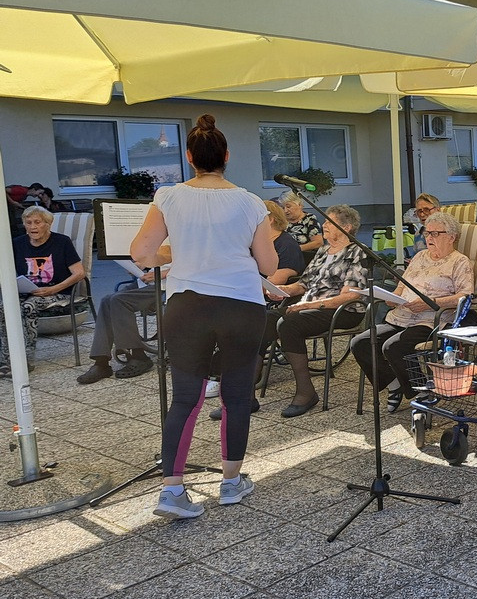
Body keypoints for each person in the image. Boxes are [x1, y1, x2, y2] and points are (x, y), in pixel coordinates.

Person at [129, 113, 278, 520]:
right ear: (227, 156)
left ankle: (172, 491)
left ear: (190, 156)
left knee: (185, 399)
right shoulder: (250, 202)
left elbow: (142, 253)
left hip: (187, 305)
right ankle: (231, 483)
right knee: (236, 395)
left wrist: (177, 252)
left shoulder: (168, 197)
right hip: (241, 304)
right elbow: (267, 263)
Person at [350, 211, 473, 413]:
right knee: (361, 343)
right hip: (401, 316)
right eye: (427, 233)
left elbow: (465, 295)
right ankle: (394, 385)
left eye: (435, 233)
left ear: (452, 237)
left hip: (432, 320)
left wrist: (430, 302)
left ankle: (420, 390)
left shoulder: (459, 261)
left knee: (393, 346)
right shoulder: (419, 257)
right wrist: (393, 298)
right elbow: (401, 286)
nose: (429, 237)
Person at [259, 204, 368, 418]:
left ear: (346, 227)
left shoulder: (358, 252)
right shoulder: (323, 251)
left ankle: (306, 392)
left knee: (289, 324)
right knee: (263, 319)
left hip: (343, 310)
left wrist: (308, 305)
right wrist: (283, 290)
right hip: (309, 306)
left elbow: (350, 296)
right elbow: (303, 285)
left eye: (329, 221)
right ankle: (246, 390)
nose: (324, 225)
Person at [203, 200, 305, 409]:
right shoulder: (254, 243)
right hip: (245, 293)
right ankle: (215, 372)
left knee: (233, 320)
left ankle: (221, 375)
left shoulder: (286, 244)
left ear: (270, 219)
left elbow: (277, 280)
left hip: (265, 298)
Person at [1, 205, 85, 378]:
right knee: (4, 307)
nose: (33, 227)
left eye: (37, 222)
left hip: (59, 291)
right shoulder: (17, 243)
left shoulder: (62, 242)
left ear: (48, 224)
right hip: (27, 291)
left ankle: (27, 359)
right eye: (28, 222)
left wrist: (53, 289)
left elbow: (79, 273)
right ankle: (7, 359)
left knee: (29, 307)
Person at [76, 263, 164, 385]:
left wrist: (161, 274)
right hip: (148, 281)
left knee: (118, 301)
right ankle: (101, 362)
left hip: (169, 284)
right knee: (107, 301)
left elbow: (196, 266)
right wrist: (142, 265)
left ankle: (138, 355)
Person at [280, 191, 323, 264]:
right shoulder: (281, 221)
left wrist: (296, 249)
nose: (285, 210)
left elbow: (318, 242)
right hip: (282, 257)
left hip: (303, 258)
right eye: (282, 207)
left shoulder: (309, 219)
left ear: (299, 205)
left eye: (288, 206)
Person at [406, 193, 441, 257]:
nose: (422, 215)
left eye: (426, 210)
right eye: (419, 211)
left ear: (437, 210)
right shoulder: (418, 233)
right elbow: (415, 258)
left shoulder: (446, 231)